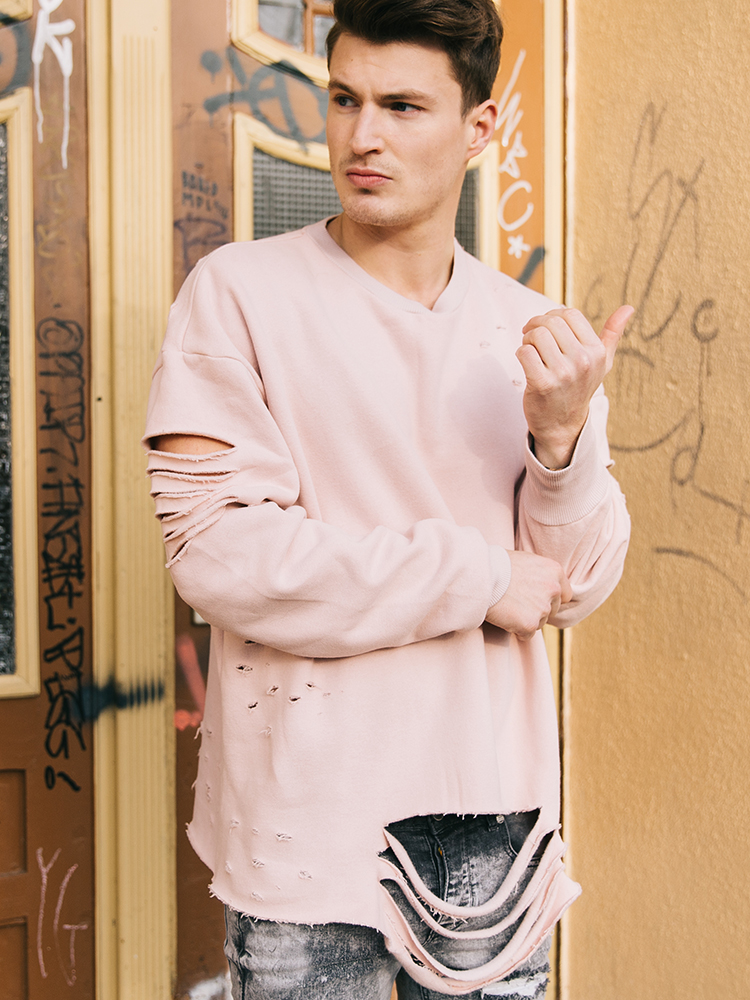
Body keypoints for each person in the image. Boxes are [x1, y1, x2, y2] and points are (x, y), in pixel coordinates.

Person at [144, 0, 631, 996]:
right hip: (305, 825)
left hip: (492, 829)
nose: (362, 135)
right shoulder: (238, 294)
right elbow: (219, 553)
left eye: (403, 107)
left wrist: (561, 439)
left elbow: (572, 583)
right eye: (345, 99)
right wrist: (476, 576)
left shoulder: (529, 328)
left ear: (479, 128)